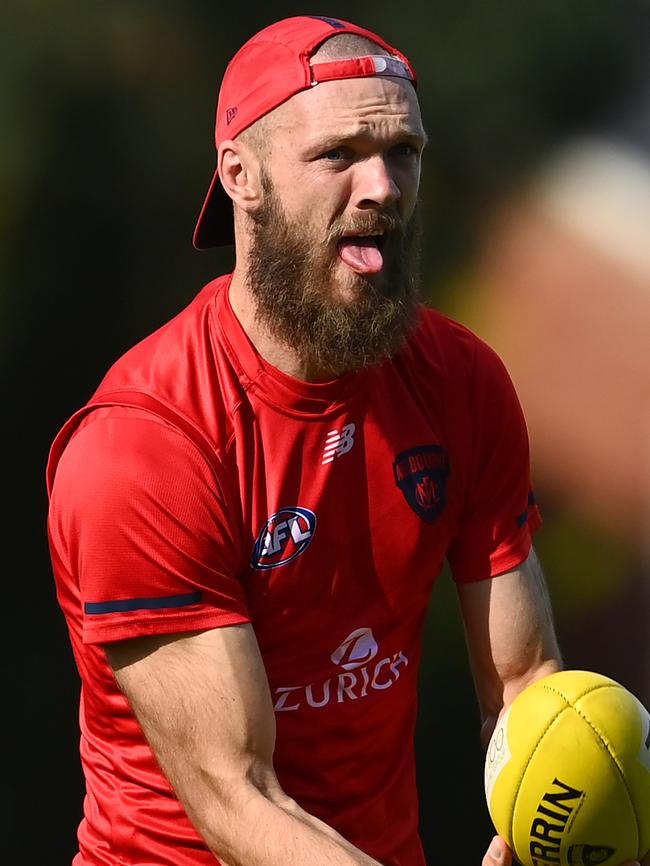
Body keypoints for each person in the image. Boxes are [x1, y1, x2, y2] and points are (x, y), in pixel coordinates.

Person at [47, 14, 578, 866]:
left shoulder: (459, 379)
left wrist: (560, 821)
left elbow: (524, 685)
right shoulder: (143, 446)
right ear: (240, 176)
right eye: (339, 155)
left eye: (403, 150)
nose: (383, 186)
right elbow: (238, 800)